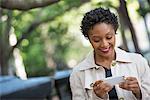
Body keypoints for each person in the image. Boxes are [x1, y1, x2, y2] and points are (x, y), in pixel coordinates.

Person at [69, 7, 150, 100]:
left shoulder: (138, 62)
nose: (104, 44)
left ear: (115, 33)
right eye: (96, 40)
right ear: (89, 39)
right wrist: (98, 97)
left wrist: (139, 92)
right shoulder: (78, 74)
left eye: (109, 37)